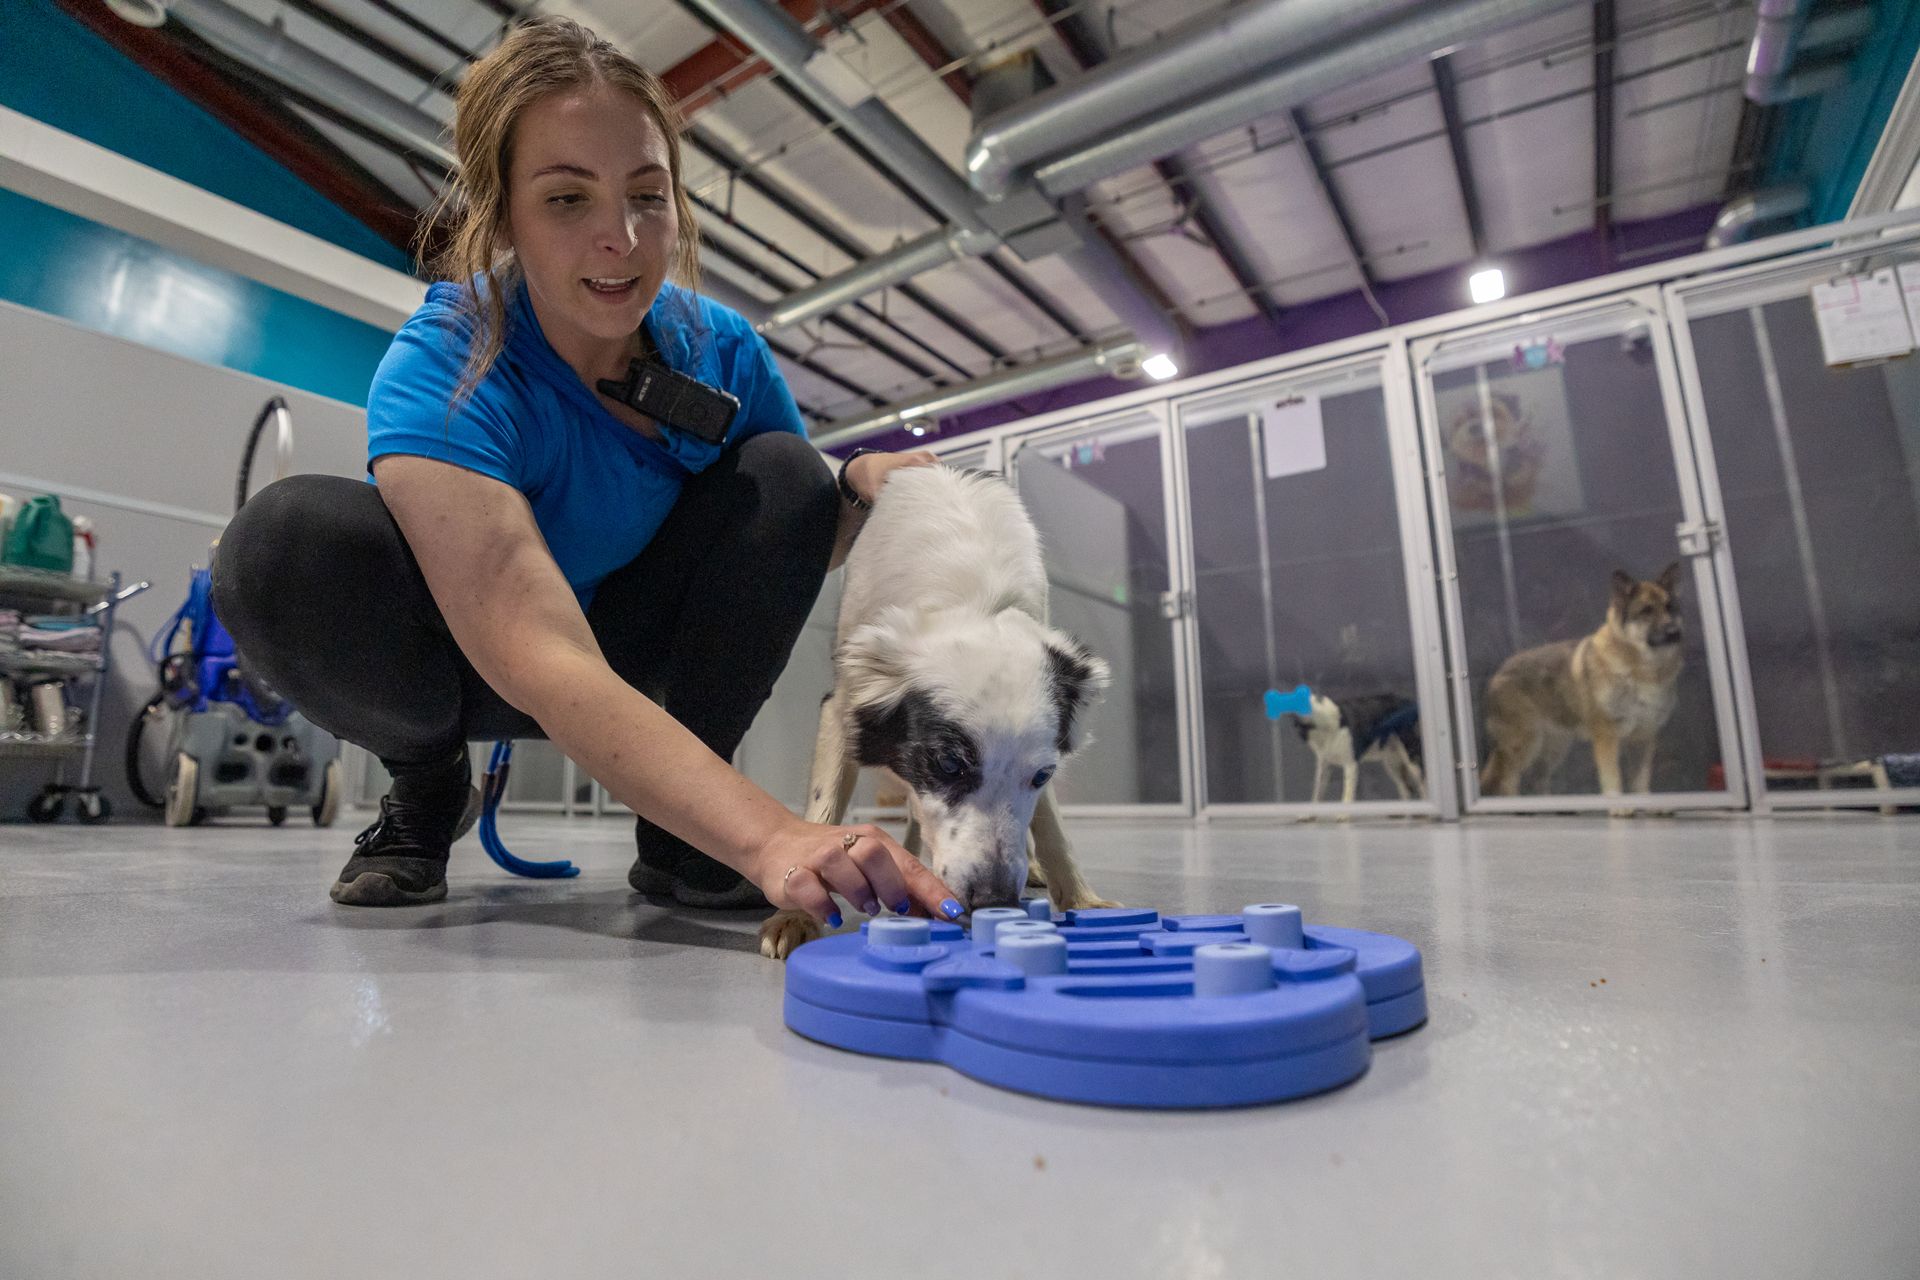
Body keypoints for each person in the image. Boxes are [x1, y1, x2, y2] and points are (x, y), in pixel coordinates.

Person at [213, 16, 959, 926]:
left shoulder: (720, 351)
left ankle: (684, 839)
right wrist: (770, 835)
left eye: (648, 196)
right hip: (469, 660)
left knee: (790, 470)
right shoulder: (450, 362)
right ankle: (425, 781)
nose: (623, 239)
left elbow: (793, 545)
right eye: (568, 199)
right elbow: (537, 650)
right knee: (282, 541)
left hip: (627, 646)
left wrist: (862, 492)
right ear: (504, 211)